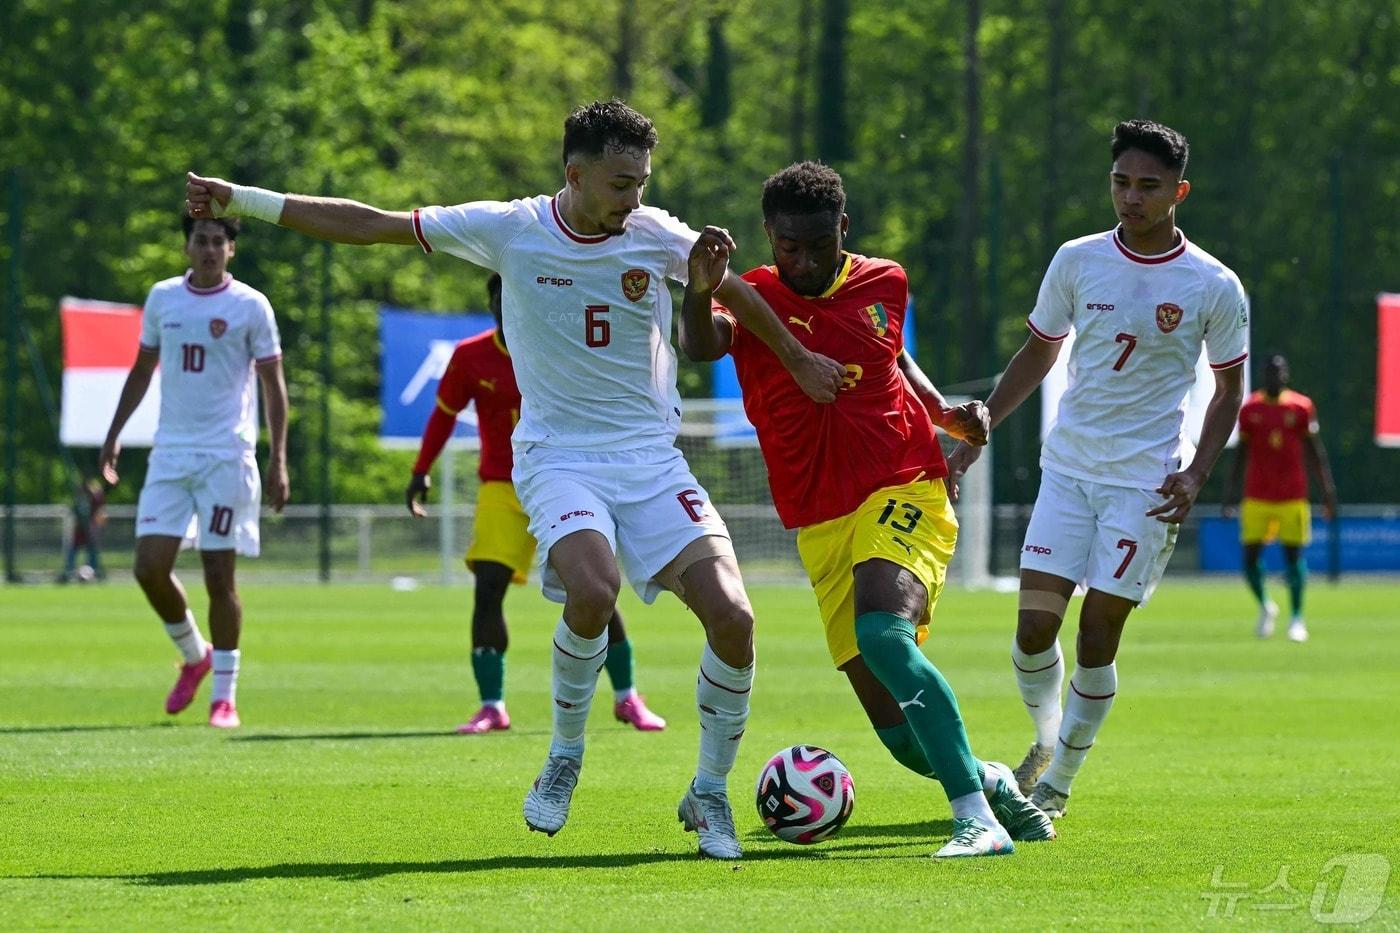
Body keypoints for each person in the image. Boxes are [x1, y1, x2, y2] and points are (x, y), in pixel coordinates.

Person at [186, 99, 844, 859]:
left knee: (735, 616)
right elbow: (371, 223)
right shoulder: (511, 227)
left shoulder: (657, 234)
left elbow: (739, 301)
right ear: (576, 174)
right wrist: (246, 202)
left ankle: (708, 792)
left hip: (652, 458)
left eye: (642, 183)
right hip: (558, 456)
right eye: (622, 183)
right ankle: (565, 753)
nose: (635, 199)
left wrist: (792, 355)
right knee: (594, 592)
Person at [678, 161, 1055, 858]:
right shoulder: (753, 294)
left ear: (843, 229)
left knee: (885, 635)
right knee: (905, 741)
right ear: (769, 237)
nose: (805, 260)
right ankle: (992, 780)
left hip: (904, 482)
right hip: (820, 523)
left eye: (819, 244)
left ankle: (976, 820)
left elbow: (892, 355)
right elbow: (701, 347)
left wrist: (941, 413)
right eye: (789, 246)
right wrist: (698, 295)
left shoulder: (886, 280)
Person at [946, 120, 1249, 819]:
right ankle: (1047, 741)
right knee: (1030, 633)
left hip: (1144, 484)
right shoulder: (1077, 260)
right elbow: (1038, 352)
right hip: (1070, 470)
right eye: (1121, 182)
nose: (1131, 198)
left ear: (1180, 190)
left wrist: (1198, 472)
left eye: (1148, 186)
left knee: (1096, 633)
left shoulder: (1213, 284)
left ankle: (1058, 783)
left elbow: (1229, 389)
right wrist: (982, 426)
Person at [406, 273, 666, 733]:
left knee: (596, 590)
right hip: (502, 490)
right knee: (487, 589)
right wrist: (420, 470)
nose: (508, 305)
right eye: (498, 297)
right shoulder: (470, 357)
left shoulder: (560, 349)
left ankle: (627, 697)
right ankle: (492, 705)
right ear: (490, 303)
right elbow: (443, 415)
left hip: (565, 482)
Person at [99, 214, 289, 729]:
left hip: (226, 455)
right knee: (148, 567)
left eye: (217, 242)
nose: (207, 249)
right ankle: (194, 654)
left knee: (218, 574)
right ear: (187, 246)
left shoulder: (251, 306)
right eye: (200, 240)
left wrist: (279, 457)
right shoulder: (163, 298)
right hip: (171, 454)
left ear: (231, 250)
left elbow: (273, 385)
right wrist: (114, 433)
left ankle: (224, 696)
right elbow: (142, 369)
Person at [1222, 353, 1336, 642]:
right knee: (1249, 559)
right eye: (1271, 372)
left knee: (1293, 556)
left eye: (1280, 371)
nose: (1276, 376)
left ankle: (1297, 618)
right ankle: (1265, 606)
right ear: (1264, 375)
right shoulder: (1250, 409)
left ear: (1287, 375)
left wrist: (1327, 492)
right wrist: (1230, 495)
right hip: (1257, 494)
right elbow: (1240, 455)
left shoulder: (1301, 407)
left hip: (1292, 495)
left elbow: (1315, 451)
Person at [60, 476, 107, 582]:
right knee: (73, 551)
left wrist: (96, 527)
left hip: (90, 530)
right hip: (80, 530)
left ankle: (94, 572)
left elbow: (99, 512)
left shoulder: (95, 498)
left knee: (92, 553)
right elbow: (76, 511)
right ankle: (69, 571)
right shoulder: (80, 498)